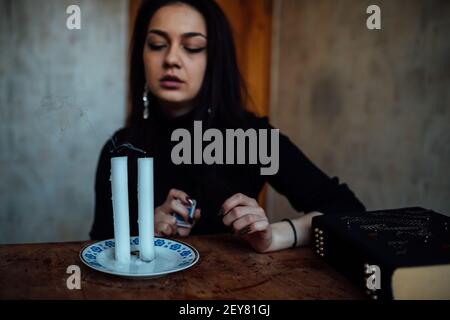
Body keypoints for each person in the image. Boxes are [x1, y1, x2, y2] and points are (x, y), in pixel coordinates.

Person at [90, 0, 365, 253]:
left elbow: (348, 212)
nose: (171, 59)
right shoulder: (119, 150)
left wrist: (276, 235)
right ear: (142, 56)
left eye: (193, 47)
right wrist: (141, 233)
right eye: (157, 44)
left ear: (214, 59)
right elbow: (97, 250)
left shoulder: (251, 137)